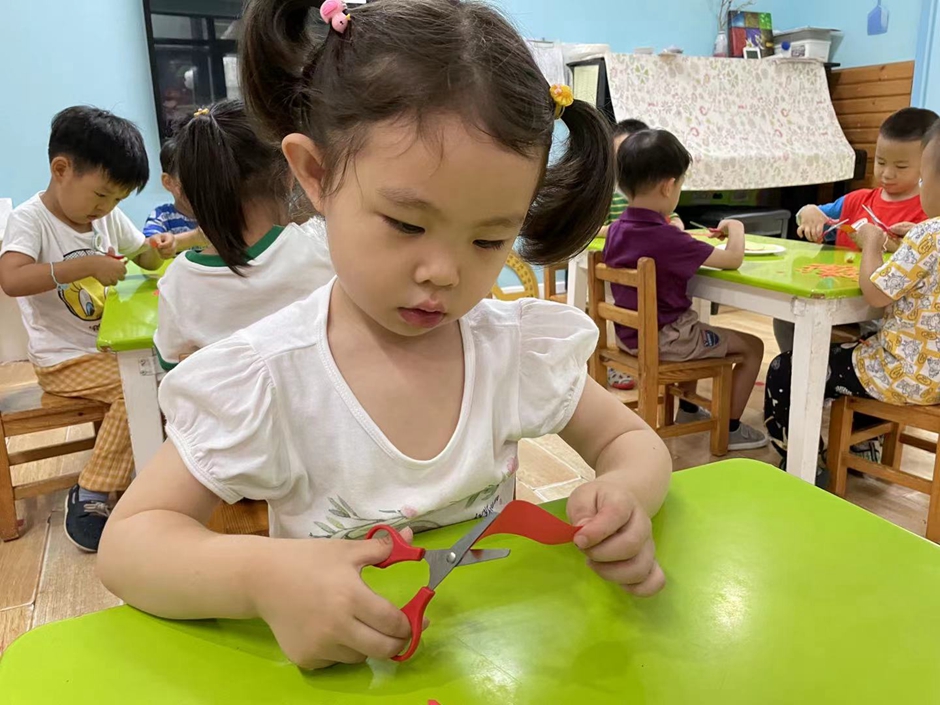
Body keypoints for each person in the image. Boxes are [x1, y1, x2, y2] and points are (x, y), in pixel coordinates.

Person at [97, 0, 673, 671]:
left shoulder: (510, 349)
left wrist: (625, 494)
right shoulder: (272, 377)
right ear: (315, 175)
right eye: (406, 224)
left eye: (489, 239)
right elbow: (129, 545)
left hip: (487, 666)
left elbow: (630, 441)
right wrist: (259, 577)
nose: (443, 272)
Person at [0, 106, 176, 551]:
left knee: (162, 371)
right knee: (140, 386)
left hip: (109, 348)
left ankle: (151, 471)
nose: (106, 208)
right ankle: (92, 490)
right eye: (100, 195)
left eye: (117, 200)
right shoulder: (31, 220)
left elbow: (141, 255)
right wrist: (84, 267)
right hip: (63, 360)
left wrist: (158, 248)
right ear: (61, 169)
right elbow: (12, 278)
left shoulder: (106, 217)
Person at [764, 120, 940, 486]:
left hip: (904, 373)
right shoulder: (873, 207)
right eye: (881, 162)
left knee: (787, 368)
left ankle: (802, 461)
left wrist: (872, 243)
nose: (888, 174)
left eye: (922, 178)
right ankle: (858, 442)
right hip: (932, 373)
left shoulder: (928, 234)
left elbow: (875, 294)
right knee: (841, 351)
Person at [603, 129, 767, 451]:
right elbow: (733, 259)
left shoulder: (616, 230)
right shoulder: (669, 238)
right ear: (668, 186)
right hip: (669, 340)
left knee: (696, 323)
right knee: (753, 347)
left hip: (629, 337)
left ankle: (689, 410)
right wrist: (736, 227)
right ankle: (730, 428)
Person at [153, 99, 334, 370]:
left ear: (189, 193)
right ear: (288, 175)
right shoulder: (322, 249)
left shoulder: (179, 281)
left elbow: (175, 364)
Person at [774, 108, 940, 354]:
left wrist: (889, 244)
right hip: (836, 297)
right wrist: (809, 213)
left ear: (925, 166)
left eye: (901, 166)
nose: (887, 173)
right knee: (786, 316)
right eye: (880, 162)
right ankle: (801, 372)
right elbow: (812, 215)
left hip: (884, 310)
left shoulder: (929, 217)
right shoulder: (857, 201)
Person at [602, 119, 684, 391]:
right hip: (619, 268)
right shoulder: (608, 195)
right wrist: (626, 229)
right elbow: (593, 228)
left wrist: (674, 226)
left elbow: (674, 219)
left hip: (653, 271)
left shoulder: (657, 199)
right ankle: (619, 359)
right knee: (617, 300)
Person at [142, 137, 206, 252]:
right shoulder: (162, 216)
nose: (200, 190)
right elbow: (147, 252)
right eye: (190, 181)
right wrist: (194, 238)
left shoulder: (217, 214)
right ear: (168, 182)